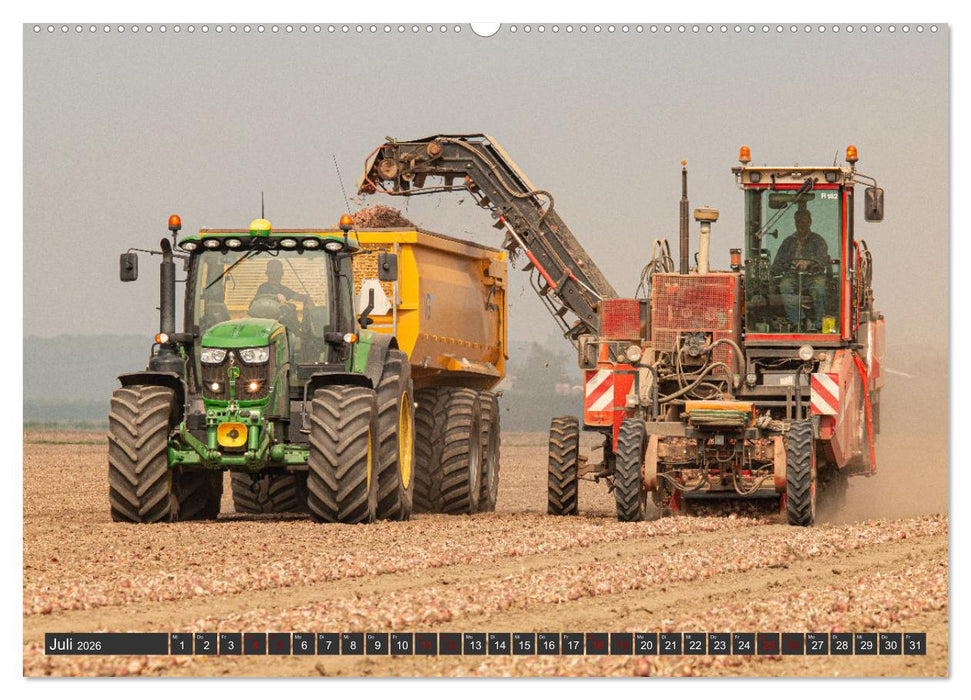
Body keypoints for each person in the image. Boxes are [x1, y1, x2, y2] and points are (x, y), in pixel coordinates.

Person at [771, 208, 830, 331]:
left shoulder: (818, 241)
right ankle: (798, 322)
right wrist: (785, 266)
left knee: (819, 289)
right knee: (785, 286)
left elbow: (823, 259)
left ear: (810, 222)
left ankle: (820, 324)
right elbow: (777, 263)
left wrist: (808, 262)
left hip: (813, 276)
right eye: (798, 222)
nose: (801, 225)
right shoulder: (788, 242)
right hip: (792, 276)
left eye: (804, 221)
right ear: (795, 223)